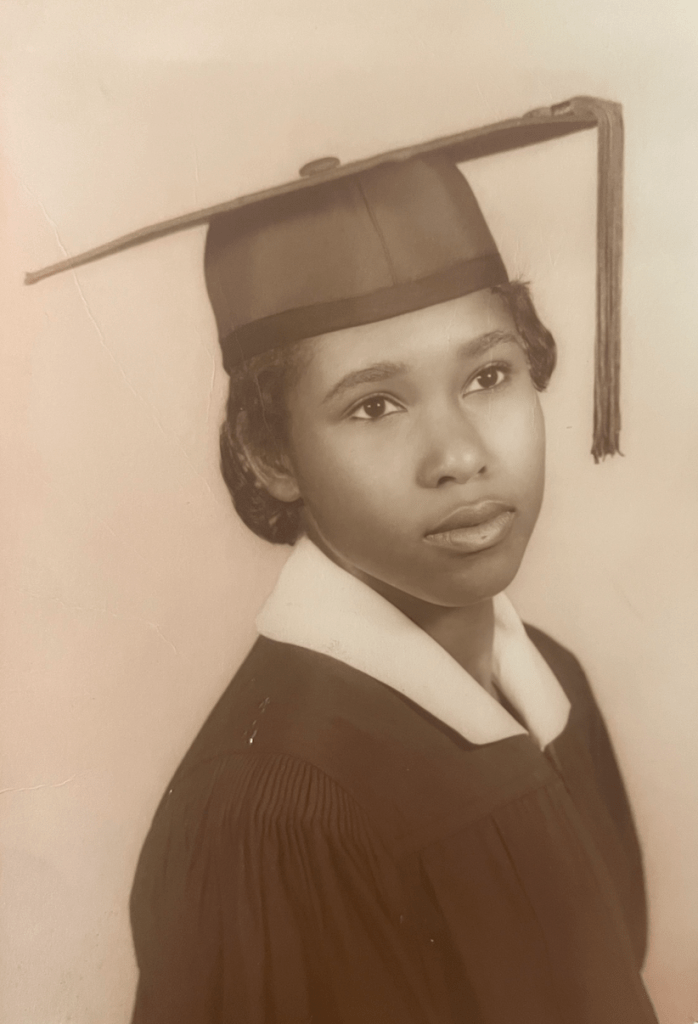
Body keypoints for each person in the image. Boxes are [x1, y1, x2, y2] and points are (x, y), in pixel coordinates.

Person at [26, 97, 658, 1022]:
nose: (460, 455)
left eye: (489, 375)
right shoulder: (268, 815)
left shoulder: (552, 686)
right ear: (271, 454)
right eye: (374, 406)